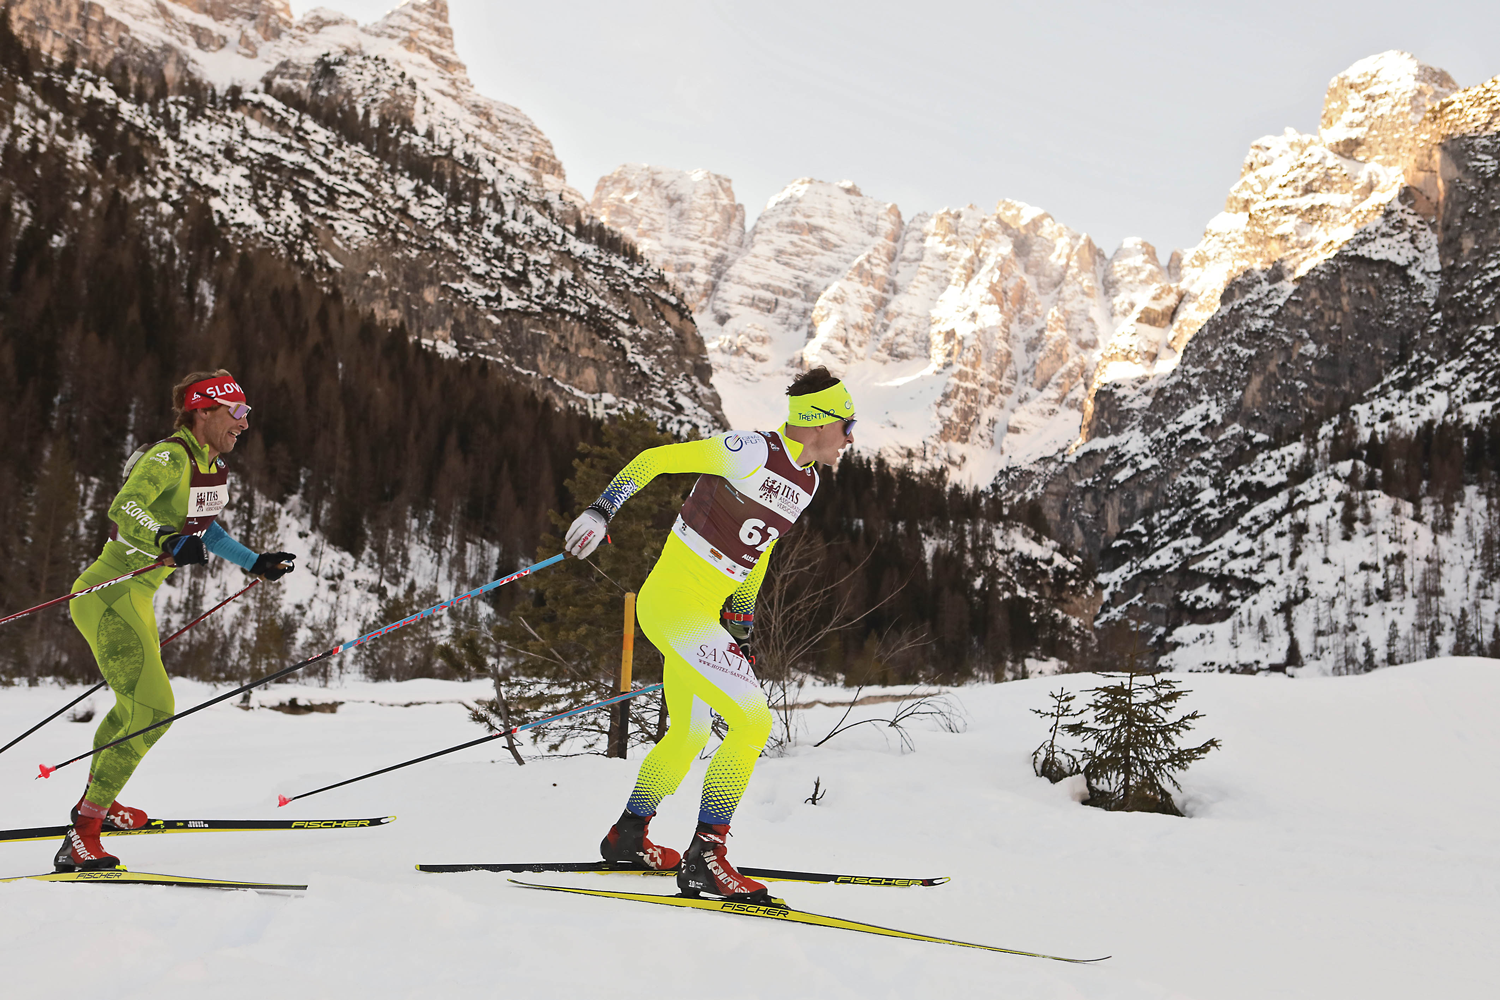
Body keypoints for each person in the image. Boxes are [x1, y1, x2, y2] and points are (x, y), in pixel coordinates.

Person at [564, 365, 857, 903]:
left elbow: (758, 552)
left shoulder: (808, 482)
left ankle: (628, 834)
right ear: (818, 423)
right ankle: (706, 857)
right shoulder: (750, 452)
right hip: (673, 608)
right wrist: (602, 510)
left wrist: (741, 624)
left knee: (690, 734)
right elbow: (655, 460)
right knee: (752, 720)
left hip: (704, 616)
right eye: (847, 424)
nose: (851, 437)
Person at [55, 370, 297, 872]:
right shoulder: (168, 456)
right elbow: (126, 508)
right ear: (202, 410)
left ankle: (99, 802)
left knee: (133, 710)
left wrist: (254, 561)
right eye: (236, 412)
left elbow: (205, 530)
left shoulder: (211, 466)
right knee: (155, 708)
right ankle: (83, 831)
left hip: (135, 597)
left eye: (246, 414)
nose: (244, 424)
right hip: (109, 592)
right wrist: (165, 538)